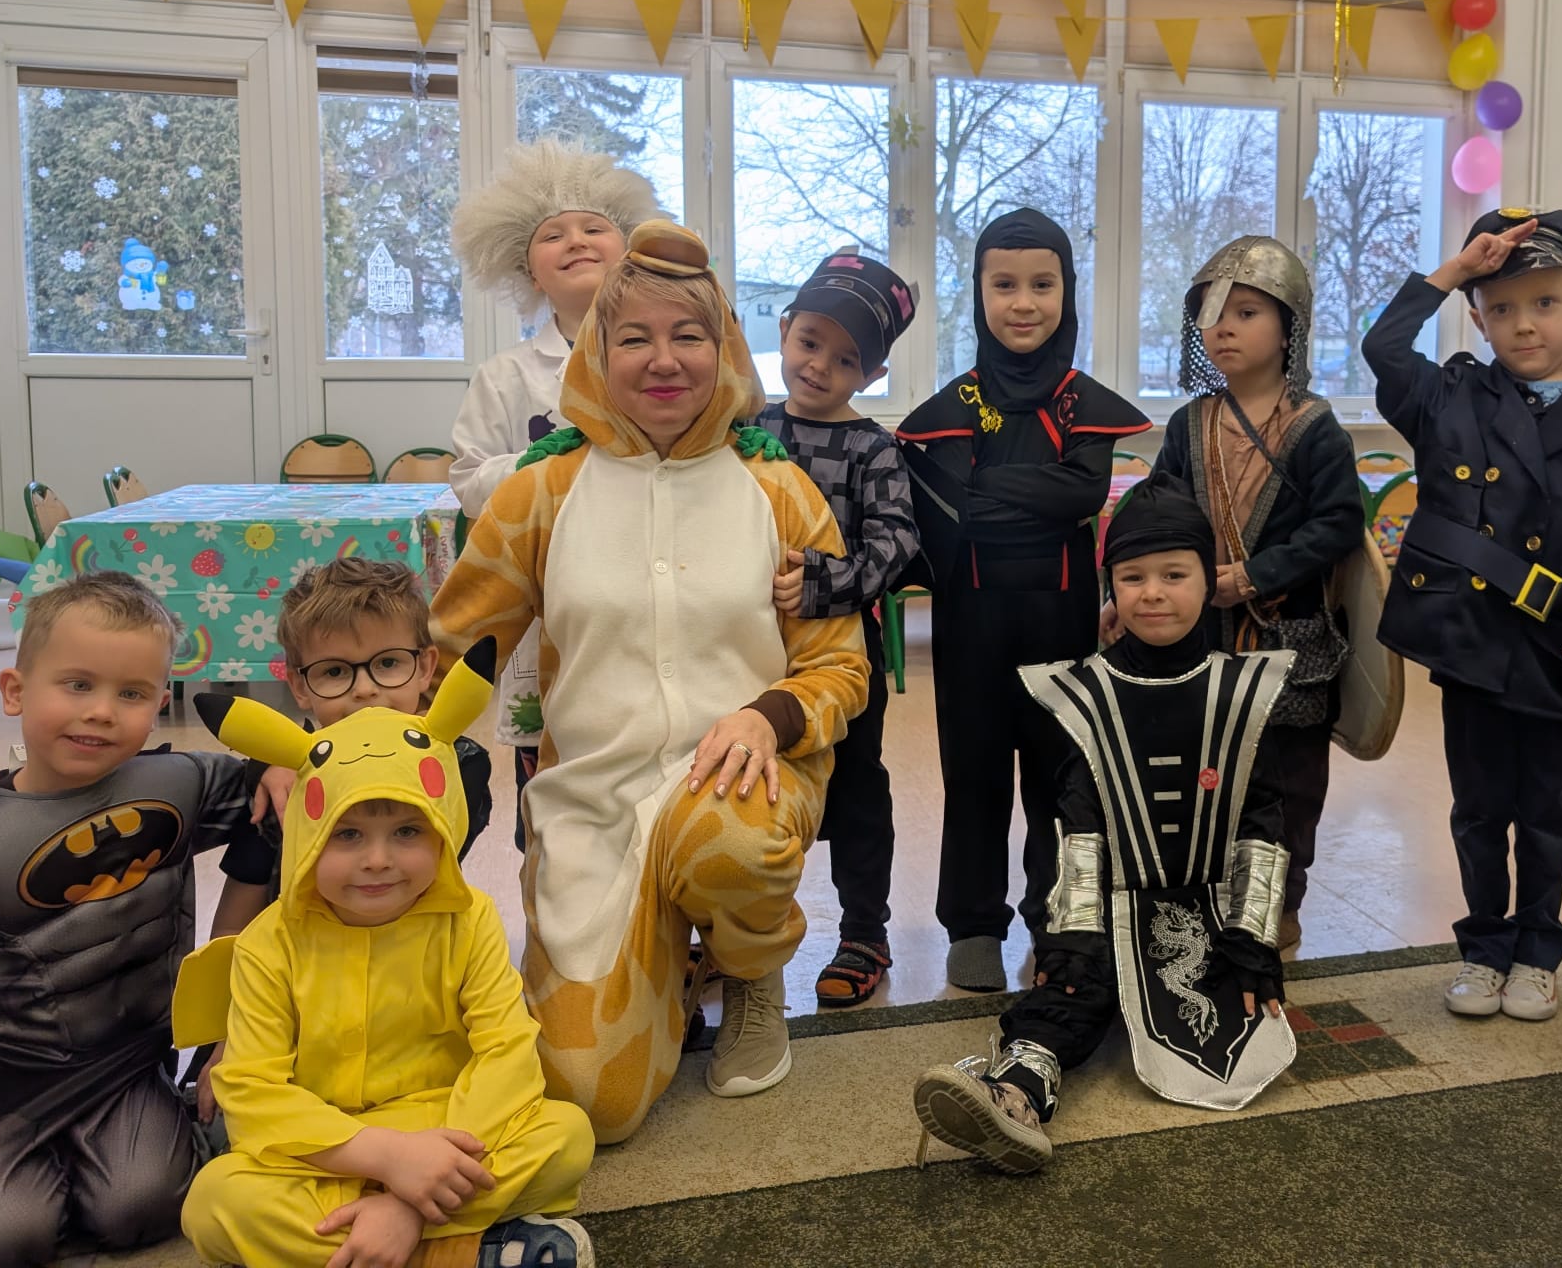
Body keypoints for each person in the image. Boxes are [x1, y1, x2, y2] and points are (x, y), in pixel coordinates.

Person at [429, 220, 868, 1143]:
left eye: (688, 336)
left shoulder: (780, 489)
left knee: (731, 850)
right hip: (591, 795)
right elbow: (453, 649)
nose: (664, 361)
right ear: (597, 351)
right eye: (634, 338)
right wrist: (351, 744)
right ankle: (663, 961)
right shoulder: (542, 491)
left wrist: (770, 716)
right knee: (594, 1100)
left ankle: (748, 970)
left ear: (725, 349)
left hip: (740, 781)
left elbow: (840, 663)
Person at [910, 477, 1297, 1174]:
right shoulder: (1081, 693)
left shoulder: (1246, 689)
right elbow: (1076, 832)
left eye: (1174, 575)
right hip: (1110, 901)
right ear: (1110, 587)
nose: (1153, 593)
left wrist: (1252, 939)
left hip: (1212, 912)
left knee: (1234, 999)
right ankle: (1016, 1093)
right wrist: (1071, 942)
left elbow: (1262, 824)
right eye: (1132, 577)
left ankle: (1042, 1063)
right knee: (1072, 989)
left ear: (1208, 579)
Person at [177, 642, 597, 1268]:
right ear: (308, 835)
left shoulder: (470, 920)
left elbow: (507, 1053)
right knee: (214, 1202)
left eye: (407, 832)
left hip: (451, 1128)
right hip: (329, 1148)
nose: (378, 860)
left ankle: (384, 1236)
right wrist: (386, 1158)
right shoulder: (270, 941)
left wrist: (410, 1193)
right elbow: (253, 1087)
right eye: (347, 834)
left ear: (443, 828)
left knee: (565, 1135)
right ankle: (463, 1251)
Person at [1363, 209, 1562, 1024]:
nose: (1524, 324)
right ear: (1478, 317)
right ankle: (1483, 948)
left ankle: (1538, 953)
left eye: (1545, 303)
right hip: (1471, 644)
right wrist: (1455, 271)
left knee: (1546, 811)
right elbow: (1383, 347)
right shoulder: (1449, 396)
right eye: (1501, 308)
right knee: (1476, 810)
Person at [0, 574, 277, 1265]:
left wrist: (279, 768)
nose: (101, 712)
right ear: (14, 691)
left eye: (131, 694)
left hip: (127, 1069)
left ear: (159, 706)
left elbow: (270, 787)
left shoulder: (182, 784)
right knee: (4, 1238)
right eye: (77, 685)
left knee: (148, 1207)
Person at [896, 208, 1150, 993]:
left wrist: (984, 490)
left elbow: (1082, 493)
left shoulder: (1081, 401)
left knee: (1058, 778)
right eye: (1004, 285)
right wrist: (1036, 495)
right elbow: (953, 513)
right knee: (973, 776)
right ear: (978, 293)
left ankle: (1057, 917)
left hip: (1061, 627)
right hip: (970, 627)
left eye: (1043, 284)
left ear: (1067, 292)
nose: (1023, 302)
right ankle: (973, 924)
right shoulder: (956, 404)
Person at [448, 138, 665, 849]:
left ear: (628, 248)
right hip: (550, 602)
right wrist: (537, 465)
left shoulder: (666, 359)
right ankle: (553, 895)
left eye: (594, 226)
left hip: (648, 590)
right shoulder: (507, 376)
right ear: (527, 269)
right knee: (549, 795)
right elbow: (468, 479)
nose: (575, 240)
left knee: (650, 761)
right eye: (553, 234)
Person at [1150, 237, 1363, 952]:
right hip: (1202, 638)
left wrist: (1253, 576)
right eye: (1212, 314)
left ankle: (1280, 900)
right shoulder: (1188, 424)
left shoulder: (1316, 429)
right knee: (1209, 774)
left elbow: (1339, 524)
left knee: (1289, 782)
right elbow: (1160, 513)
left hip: (1290, 638)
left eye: (1247, 312)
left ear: (1288, 326)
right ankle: (1209, 896)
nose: (1225, 329)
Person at [758, 252, 923, 1007]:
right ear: (785, 331)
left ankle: (864, 932)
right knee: (751, 786)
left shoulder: (873, 447)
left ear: (874, 373)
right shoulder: (747, 430)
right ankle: (737, 933)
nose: (819, 366)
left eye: (847, 358)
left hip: (842, 657)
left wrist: (823, 584)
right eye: (810, 342)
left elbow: (896, 544)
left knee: (856, 793)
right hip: (748, 654)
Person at [214, 558, 495, 940]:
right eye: (334, 671)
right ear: (299, 686)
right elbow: (234, 921)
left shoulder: (462, 764)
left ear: (425, 667)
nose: (365, 690)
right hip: (297, 963)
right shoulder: (284, 782)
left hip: (422, 957)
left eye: (388, 663)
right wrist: (266, 765)